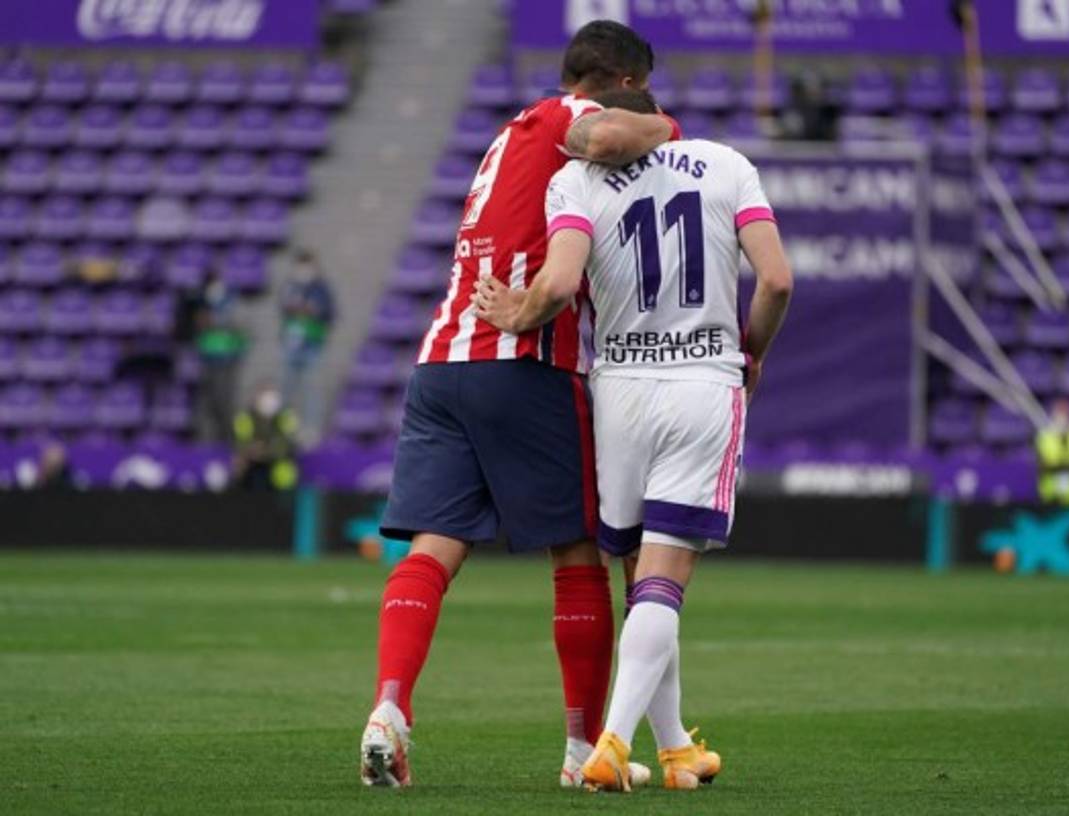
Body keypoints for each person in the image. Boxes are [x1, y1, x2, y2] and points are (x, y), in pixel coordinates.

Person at [359, 20, 682, 790]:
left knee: (433, 550)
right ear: (624, 83)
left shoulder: (508, 136)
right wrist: (665, 125)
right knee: (576, 558)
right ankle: (580, 753)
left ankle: (389, 708)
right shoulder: (570, 119)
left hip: (443, 363)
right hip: (526, 361)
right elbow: (608, 141)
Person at [476, 88, 793, 791]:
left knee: (644, 581)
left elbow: (559, 283)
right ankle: (613, 744)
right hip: (703, 381)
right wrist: (754, 351)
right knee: (663, 582)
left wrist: (516, 311)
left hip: (617, 389)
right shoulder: (725, 164)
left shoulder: (573, 180)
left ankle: (676, 750)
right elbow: (775, 279)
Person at [280, 249, 335, 445]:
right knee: (287, 388)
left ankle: (311, 430)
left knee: (312, 388)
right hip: (291, 343)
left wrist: (313, 311)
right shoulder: (290, 286)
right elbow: (283, 310)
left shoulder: (321, 288)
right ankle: (284, 429)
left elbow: (329, 313)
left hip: (312, 344)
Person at [194, 269, 245, 443]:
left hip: (228, 357)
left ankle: (227, 438)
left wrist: (222, 326)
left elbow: (240, 328)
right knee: (209, 401)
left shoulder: (231, 302)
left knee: (225, 400)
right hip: (209, 357)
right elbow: (196, 328)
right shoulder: (202, 303)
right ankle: (210, 439)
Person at [232, 383, 299, 492]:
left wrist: (264, 450)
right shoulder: (245, 418)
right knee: (241, 467)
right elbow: (240, 443)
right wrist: (249, 451)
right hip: (253, 464)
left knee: (285, 470)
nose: (268, 399)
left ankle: (284, 503)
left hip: (276, 464)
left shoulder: (285, 417)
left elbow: (287, 444)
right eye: (264, 394)